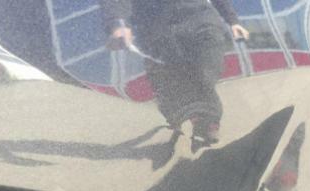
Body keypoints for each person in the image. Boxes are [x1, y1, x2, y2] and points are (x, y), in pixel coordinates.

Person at [101, 0, 249, 145]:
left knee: (206, 67)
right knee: (169, 85)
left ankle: (205, 118)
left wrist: (233, 21)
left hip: (199, 19)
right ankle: (190, 118)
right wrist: (118, 23)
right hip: (157, 28)